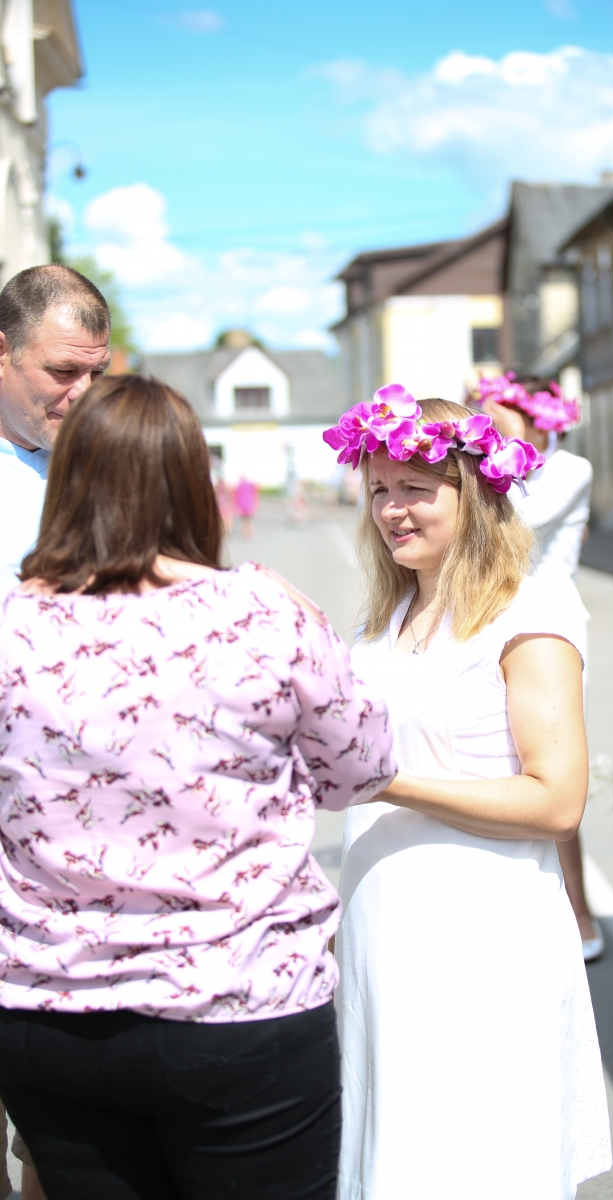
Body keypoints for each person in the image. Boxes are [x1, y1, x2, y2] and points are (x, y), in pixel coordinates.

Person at [0, 374, 396, 1200]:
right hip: (239, 1004)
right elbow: (361, 769)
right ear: (193, 478)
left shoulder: (10, 625)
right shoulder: (262, 611)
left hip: (49, 1010)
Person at [324, 386, 611, 1200]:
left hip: (481, 938)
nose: (393, 509)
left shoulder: (529, 614)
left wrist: (388, 781)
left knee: (477, 1163)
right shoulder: (387, 618)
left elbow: (557, 802)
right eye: (379, 488)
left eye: (416, 487)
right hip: (384, 931)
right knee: (399, 1161)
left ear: (475, 490)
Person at [0, 263, 112, 1200]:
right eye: (61, 373)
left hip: (76, 838)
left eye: (95, 376)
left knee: (64, 1118)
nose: (79, 396)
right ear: (0, 353)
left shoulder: (93, 463)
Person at [477, 372, 602, 961]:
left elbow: (517, 525)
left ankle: (581, 916)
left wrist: (502, 441)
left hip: (552, 628)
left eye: (502, 409)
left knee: (549, 777)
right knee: (496, 766)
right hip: (489, 621)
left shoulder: (569, 467)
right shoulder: (490, 462)